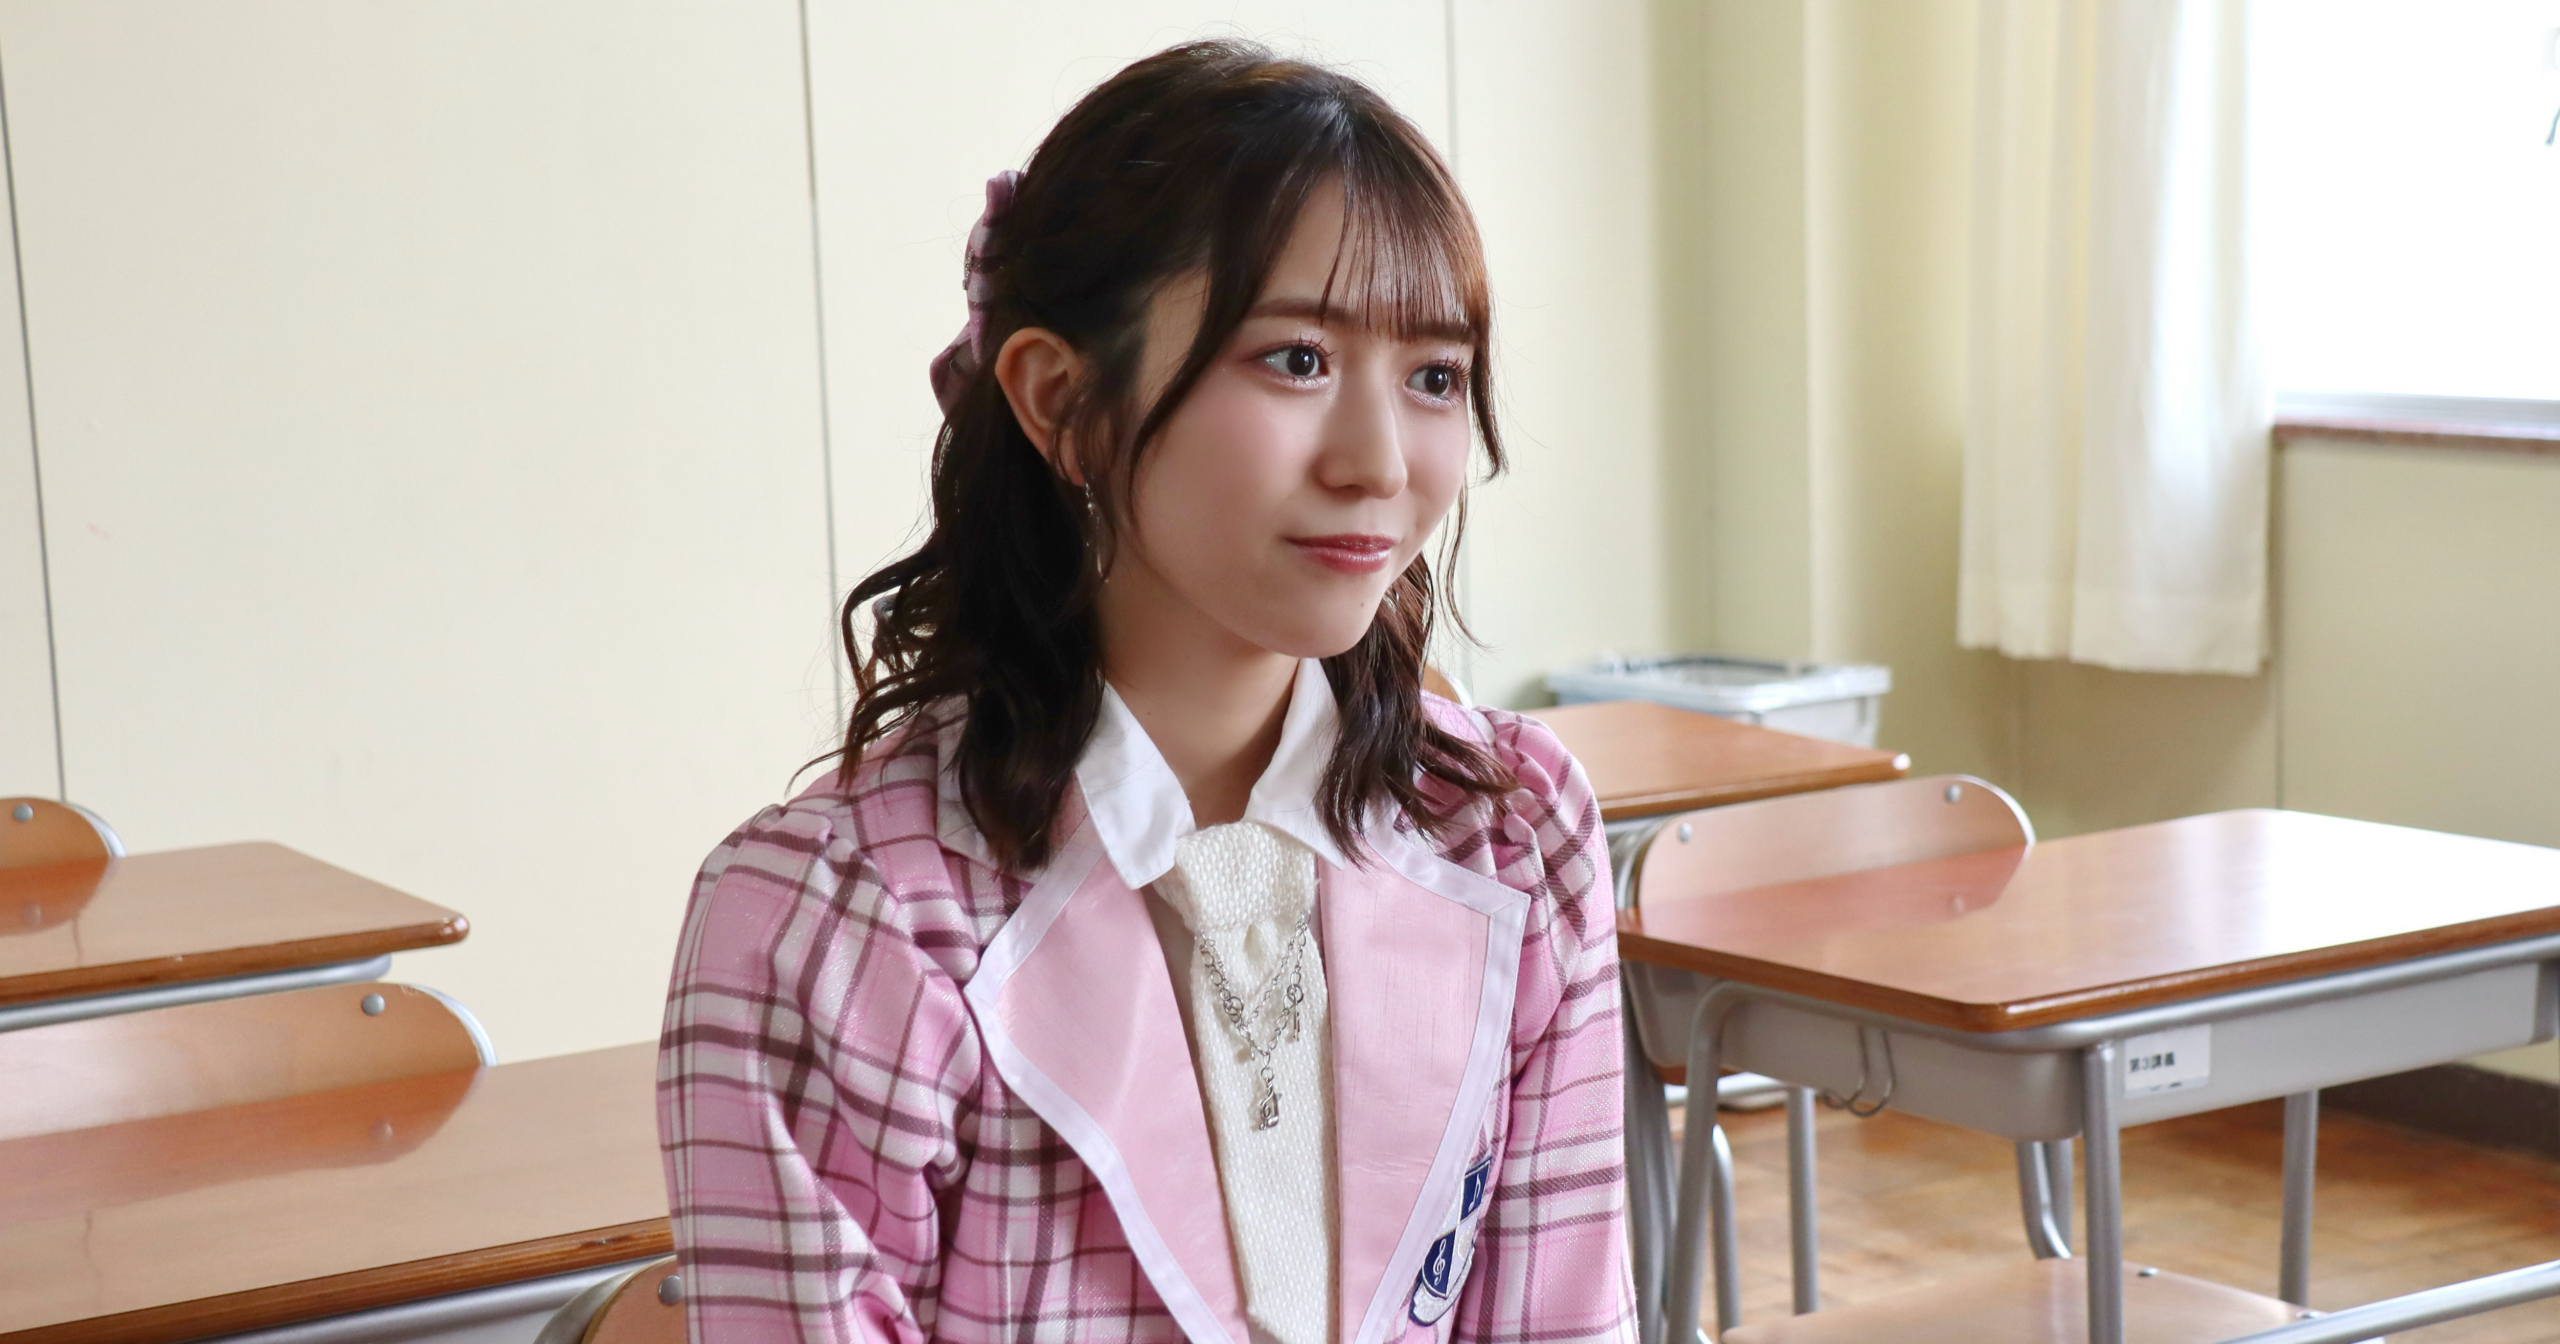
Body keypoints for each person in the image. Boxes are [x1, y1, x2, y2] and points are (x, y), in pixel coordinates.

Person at [659, 39, 1634, 1344]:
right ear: (1064, 401)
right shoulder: (840, 920)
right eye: (1296, 359)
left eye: (1435, 377)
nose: (1379, 461)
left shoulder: (1510, 827)